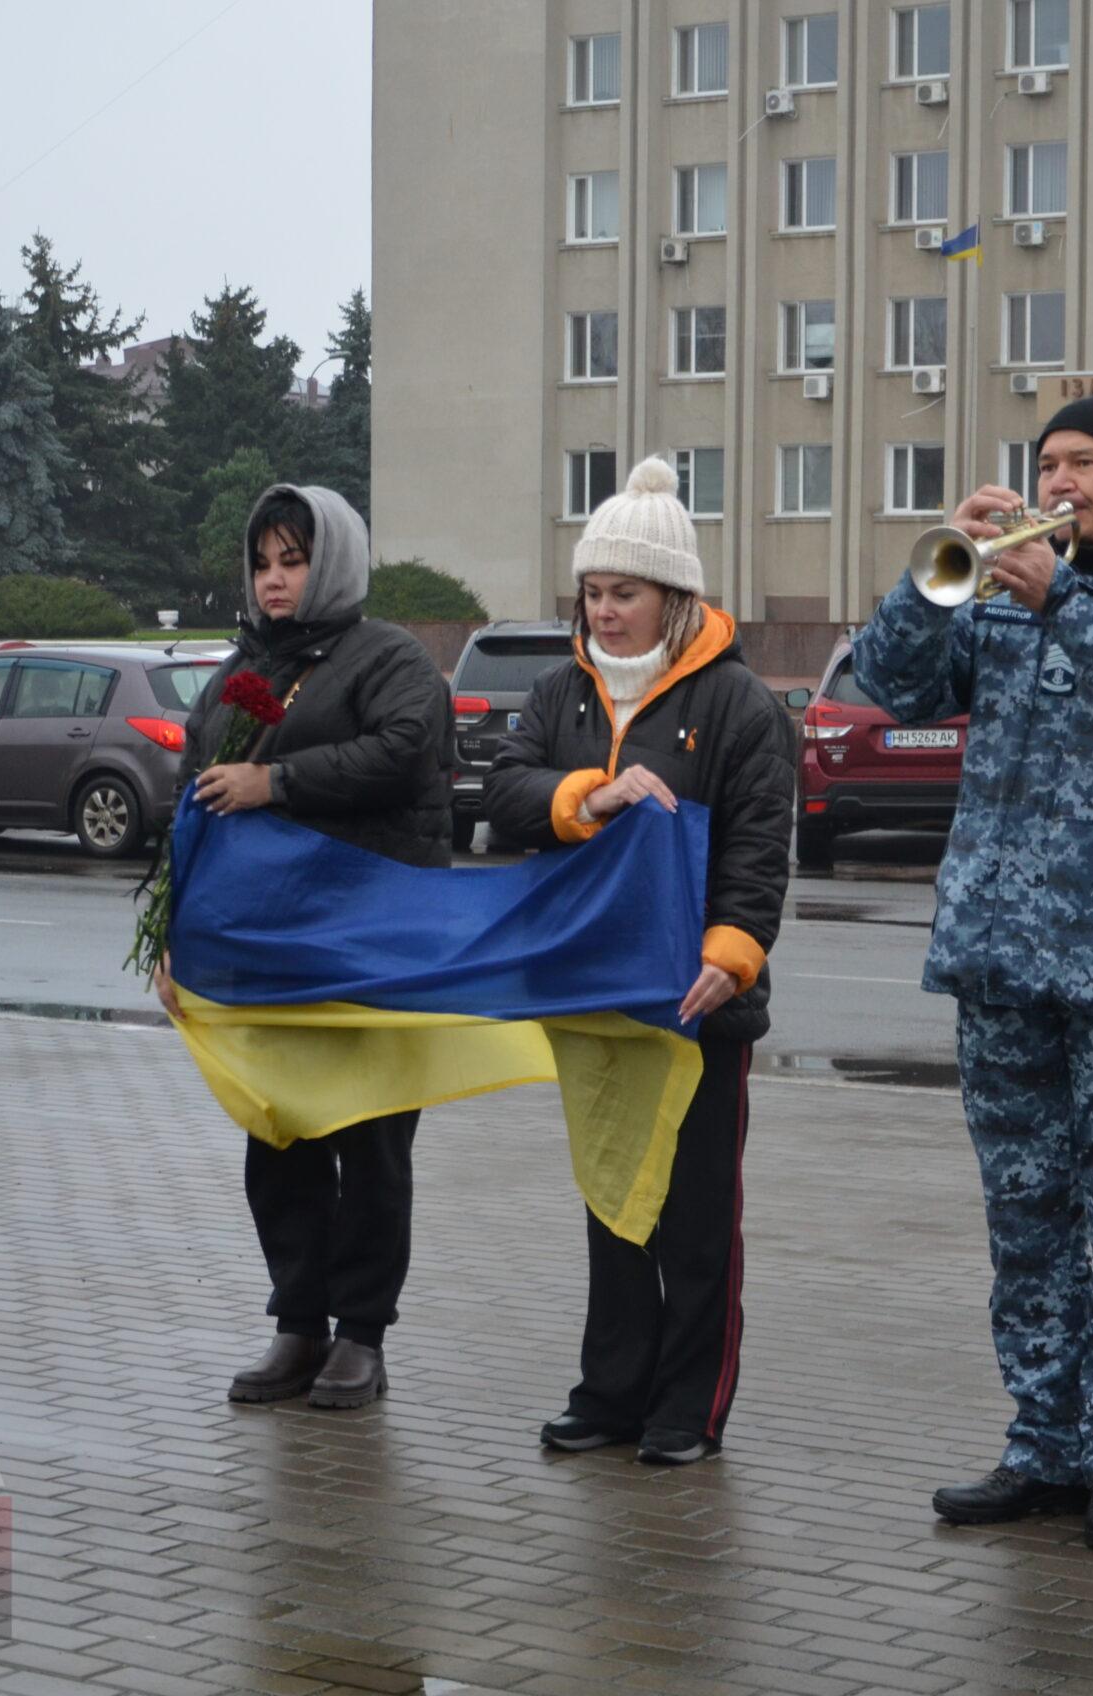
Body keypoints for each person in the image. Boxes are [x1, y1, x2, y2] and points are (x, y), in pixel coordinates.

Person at [852, 396, 1093, 1553]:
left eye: (1084, 461)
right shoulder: (997, 589)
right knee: (1024, 1225)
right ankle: (1042, 1444)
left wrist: (1063, 601)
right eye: (1045, 464)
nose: (1058, 481)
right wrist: (937, 571)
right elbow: (890, 684)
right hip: (1000, 962)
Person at [483, 457, 795, 1468]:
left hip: (698, 1004)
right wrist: (588, 793)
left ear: (673, 595)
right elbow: (503, 794)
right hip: (594, 994)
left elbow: (758, 847)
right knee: (613, 1199)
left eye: (624, 592)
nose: (604, 611)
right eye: (592, 591)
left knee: (696, 1216)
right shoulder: (558, 692)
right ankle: (610, 1392)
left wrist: (731, 955)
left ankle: (688, 1407)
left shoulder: (738, 703)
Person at [151, 483, 452, 1412]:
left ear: (336, 563)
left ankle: (361, 1335)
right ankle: (299, 1324)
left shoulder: (388, 658)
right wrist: (172, 934)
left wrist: (276, 781)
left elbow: (404, 751)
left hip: (372, 945)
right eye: (263, 563)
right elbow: (194, 801)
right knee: (279, 1135)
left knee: (370, 1144)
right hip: (269, 952)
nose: (275, 580)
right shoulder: (239, 671)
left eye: (295, 560)